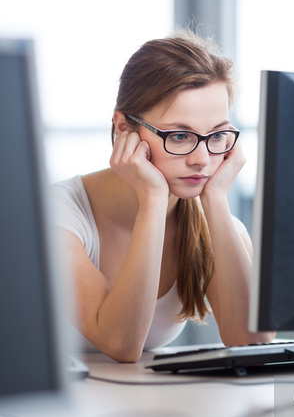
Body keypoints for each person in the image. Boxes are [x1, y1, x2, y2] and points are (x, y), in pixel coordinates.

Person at [52, 29, 274, 362]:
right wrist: (152, 200)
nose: (202, 159)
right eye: (180, 136)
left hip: (136, 409)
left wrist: (215, 199)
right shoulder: (58, 213)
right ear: (124, 128)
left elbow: (252, 340)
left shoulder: (214, 219)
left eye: (217, 135)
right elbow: (121, 344)